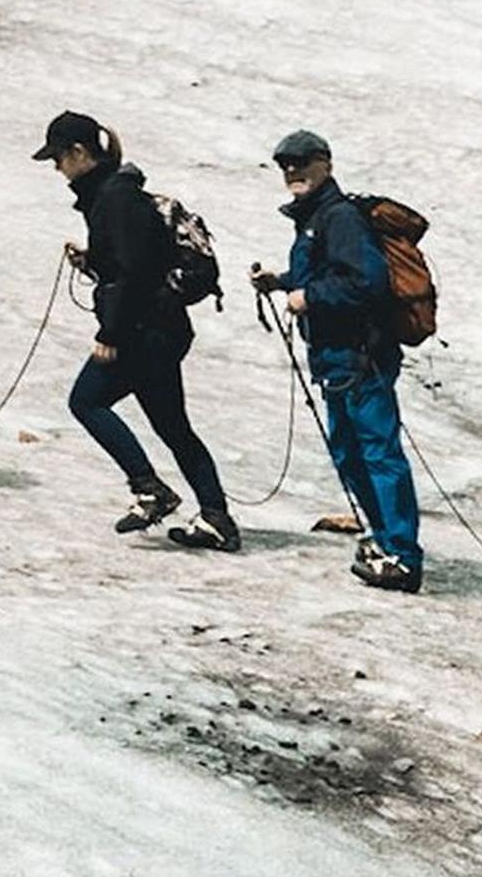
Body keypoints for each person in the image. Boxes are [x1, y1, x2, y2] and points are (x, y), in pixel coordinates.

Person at [35, 111, 237, 551]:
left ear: (79, 152)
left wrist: (110, 333)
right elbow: (134, 262)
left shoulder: (114, 199)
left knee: (86, 401)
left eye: (58, 158)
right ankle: (217, 516)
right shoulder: (112, 195)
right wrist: (91, 261)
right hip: (160, 328)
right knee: (172, 425)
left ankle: (150, 490)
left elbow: (133, 274)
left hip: (143, 331)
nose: (56, 168)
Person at [248, 129, 422, 593]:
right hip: (337, 358)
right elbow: (330, 275)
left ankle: (403, 556)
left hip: (360, 356)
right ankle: (385, 541)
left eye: (302, 161)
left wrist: (308, 296)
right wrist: (284, 282)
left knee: (378, 452)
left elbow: (367, 282)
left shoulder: (339, 217)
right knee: (350, 452)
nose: (292, 170)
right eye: (284, 163)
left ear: (325, 162)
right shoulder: (317, 218)